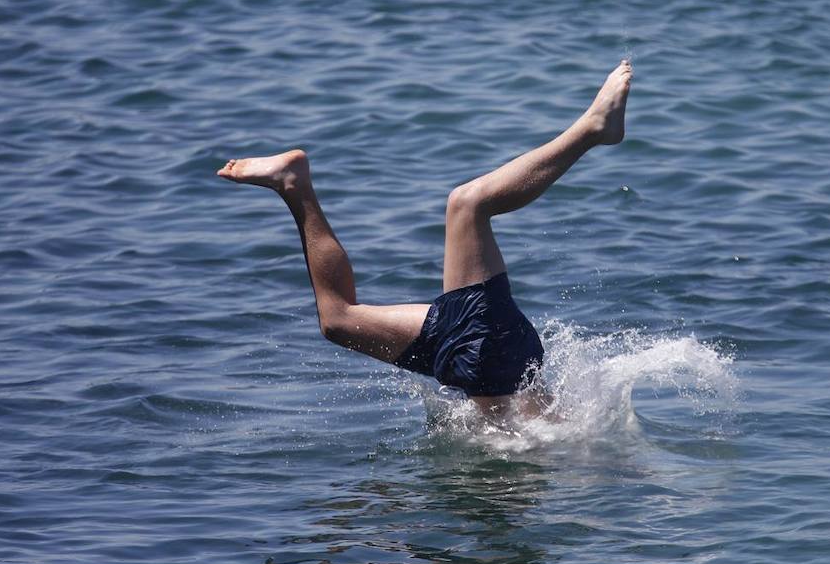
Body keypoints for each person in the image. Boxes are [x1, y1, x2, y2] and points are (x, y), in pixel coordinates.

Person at [217, 59, 632, 416]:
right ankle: (593, 129)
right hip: (485, 358)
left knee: (338, 319)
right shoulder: (530, 436)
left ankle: (295, 187)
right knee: (466, 206)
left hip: (482, 360)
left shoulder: (521, 434)